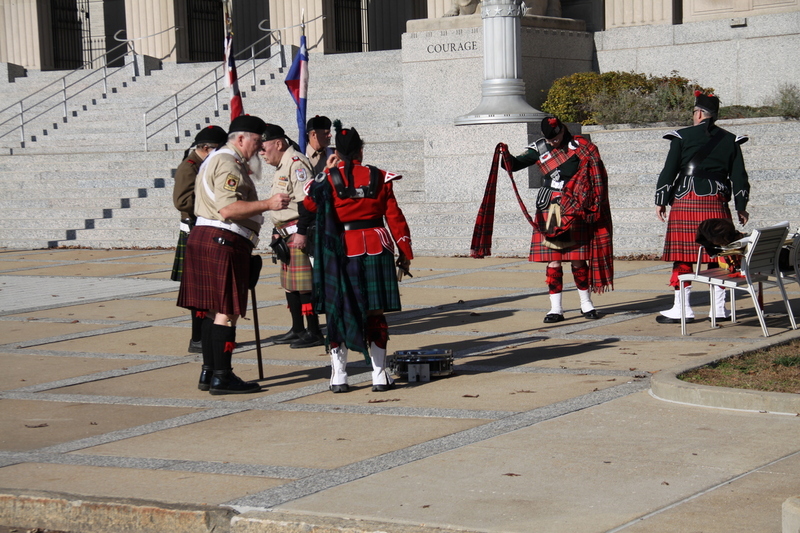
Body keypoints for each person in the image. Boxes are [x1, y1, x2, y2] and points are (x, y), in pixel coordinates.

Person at [177, 115, 290, 394]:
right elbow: (228, 209)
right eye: (257, 141)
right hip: (224, 240)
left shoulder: (214, 159)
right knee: (226, 313)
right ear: (241, 139)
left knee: (211, 311)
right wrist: (269, 203)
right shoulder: (228, 163)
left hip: (208, 237)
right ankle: (222, 376)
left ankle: (209, 372)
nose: (260, 148)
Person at [298, 120, 413, 393]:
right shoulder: (380, 177)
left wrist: (326, 171)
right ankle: (379, 375)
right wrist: (405, 252)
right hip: (377, 245)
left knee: (339, 311)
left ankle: (339, 376)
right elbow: (395, 218)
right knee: (375, 312)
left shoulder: (327, 179)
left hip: (341, 250)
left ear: (337, 150)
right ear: (361, 150)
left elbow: (308, 204)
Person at [503, 116, 614, 322]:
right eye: (550, 139)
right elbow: (515, 164)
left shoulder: (581, 146)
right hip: (552, 208)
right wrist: (505, 157)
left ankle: (586, 304)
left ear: (563, 130)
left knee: (578, 258)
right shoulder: (539, 148)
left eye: (556, 138)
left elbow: (596, 174)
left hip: (576, 205)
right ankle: (556, 309)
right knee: (554, 261)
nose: (553, 142)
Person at [654, 91, 750, 324]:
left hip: (686, 199)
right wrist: (741, 206)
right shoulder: (730, 139)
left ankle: (682, 309)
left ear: (698, 113)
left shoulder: (682, 136)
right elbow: (739, 177)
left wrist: (661, 199)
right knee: (717, 253)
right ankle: (718, 309)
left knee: (683, 255)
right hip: (717, 201)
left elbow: (669, 170)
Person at [259, 123, 324, 349]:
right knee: (290, 284)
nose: (260, 153)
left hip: (299, 231)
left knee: (304, 285)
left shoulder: (296, 163)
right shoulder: (282, 164)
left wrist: (303, 232)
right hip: (285, 232)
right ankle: (298, 328)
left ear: (278, 143)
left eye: (263, 147)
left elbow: (307, 201)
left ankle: (313, 330)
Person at [171, 125, 227, 354]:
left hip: (206, 226)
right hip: (194, 228)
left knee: (208, 289)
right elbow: (181, 201)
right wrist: (209, 199)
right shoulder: (189, 167)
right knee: (199, 290)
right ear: (205, 148)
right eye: (216, 149)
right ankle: (197, 337)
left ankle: (205, 334)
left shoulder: (206, 164)